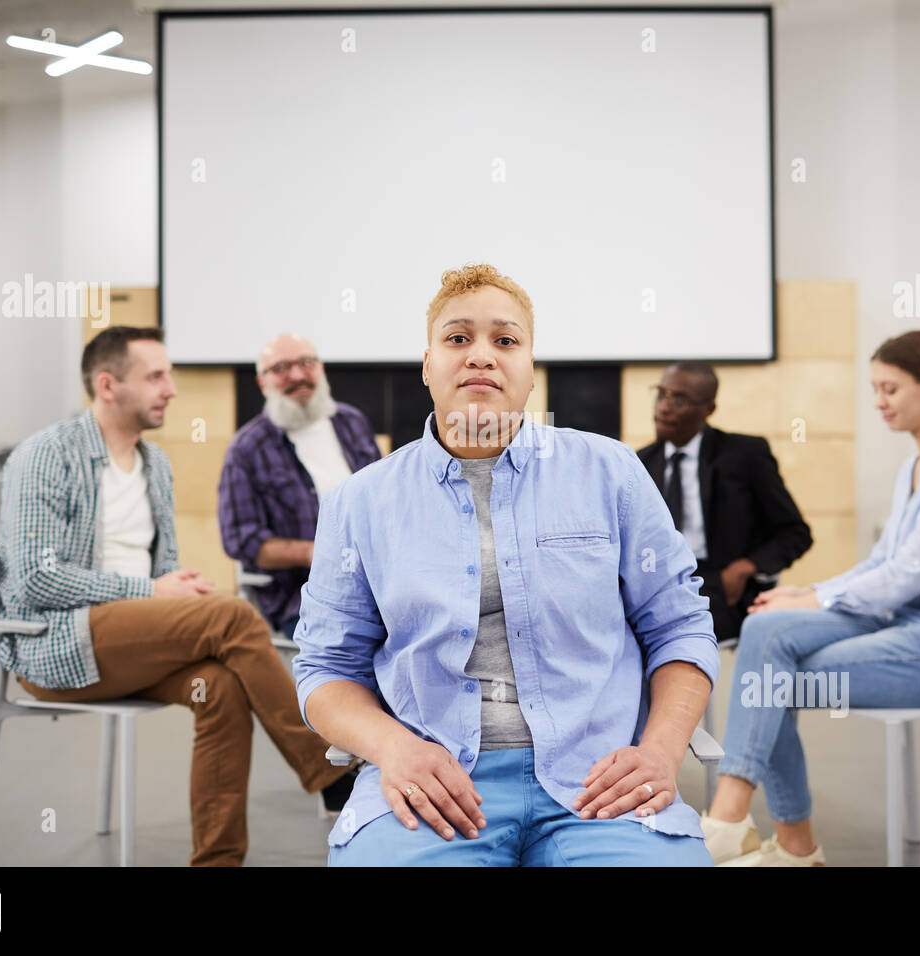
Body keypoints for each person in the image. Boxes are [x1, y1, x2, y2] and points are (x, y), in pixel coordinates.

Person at [292, 263, 719, 866]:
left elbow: (679, 627)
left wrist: (662, 750)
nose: (481, 356)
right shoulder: (359, 503)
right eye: (458, 338)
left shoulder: (611, 473)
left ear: (530, 371)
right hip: (433, 784)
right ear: (427, 365)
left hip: (600, 780)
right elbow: (325, 666)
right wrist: (393, 748)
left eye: (506, 340)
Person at [0, 326, 351, 866]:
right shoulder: (46, 456)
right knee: (233, 616)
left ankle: (217, 861)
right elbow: (34, 580)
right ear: (108, 385)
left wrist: (175, 587)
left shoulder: (155, 464)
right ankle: (327, 771)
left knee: (223, 685)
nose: (172, 389)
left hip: (135, 636)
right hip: (57, 642)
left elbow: (159, 571)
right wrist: (151, 590)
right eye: (156, 376)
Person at [700, 329, 920, 866]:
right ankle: (758, 830)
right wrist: (810, 591)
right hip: (907, 623)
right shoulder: (916, 465)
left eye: (890, 389)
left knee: (769, 682)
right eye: (875, 388)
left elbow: (913, 574)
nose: (878, 401)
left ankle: (756, 830)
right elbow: (884, 566)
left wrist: (815, 604)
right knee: (764, 632)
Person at [217, 333, 380, 639]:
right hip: (304, 597)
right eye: (280, 368)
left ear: (319, 368)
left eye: (306, 363)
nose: (296, 375)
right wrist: (315, 553)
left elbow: (387, 500)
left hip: (379, 582)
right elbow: (240, 539)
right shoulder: (247, 449)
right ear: (262, 382)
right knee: (362, 644)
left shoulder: (352, 423)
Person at [638, 363, 812, 641]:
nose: (664, 407)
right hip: (661, 583)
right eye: (661, 395)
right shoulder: (640, 463)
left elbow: (795, 534)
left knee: (688, 635)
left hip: (721, 584)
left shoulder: (745, 455)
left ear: (708, 409)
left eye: (679, 399)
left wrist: (745, 567)